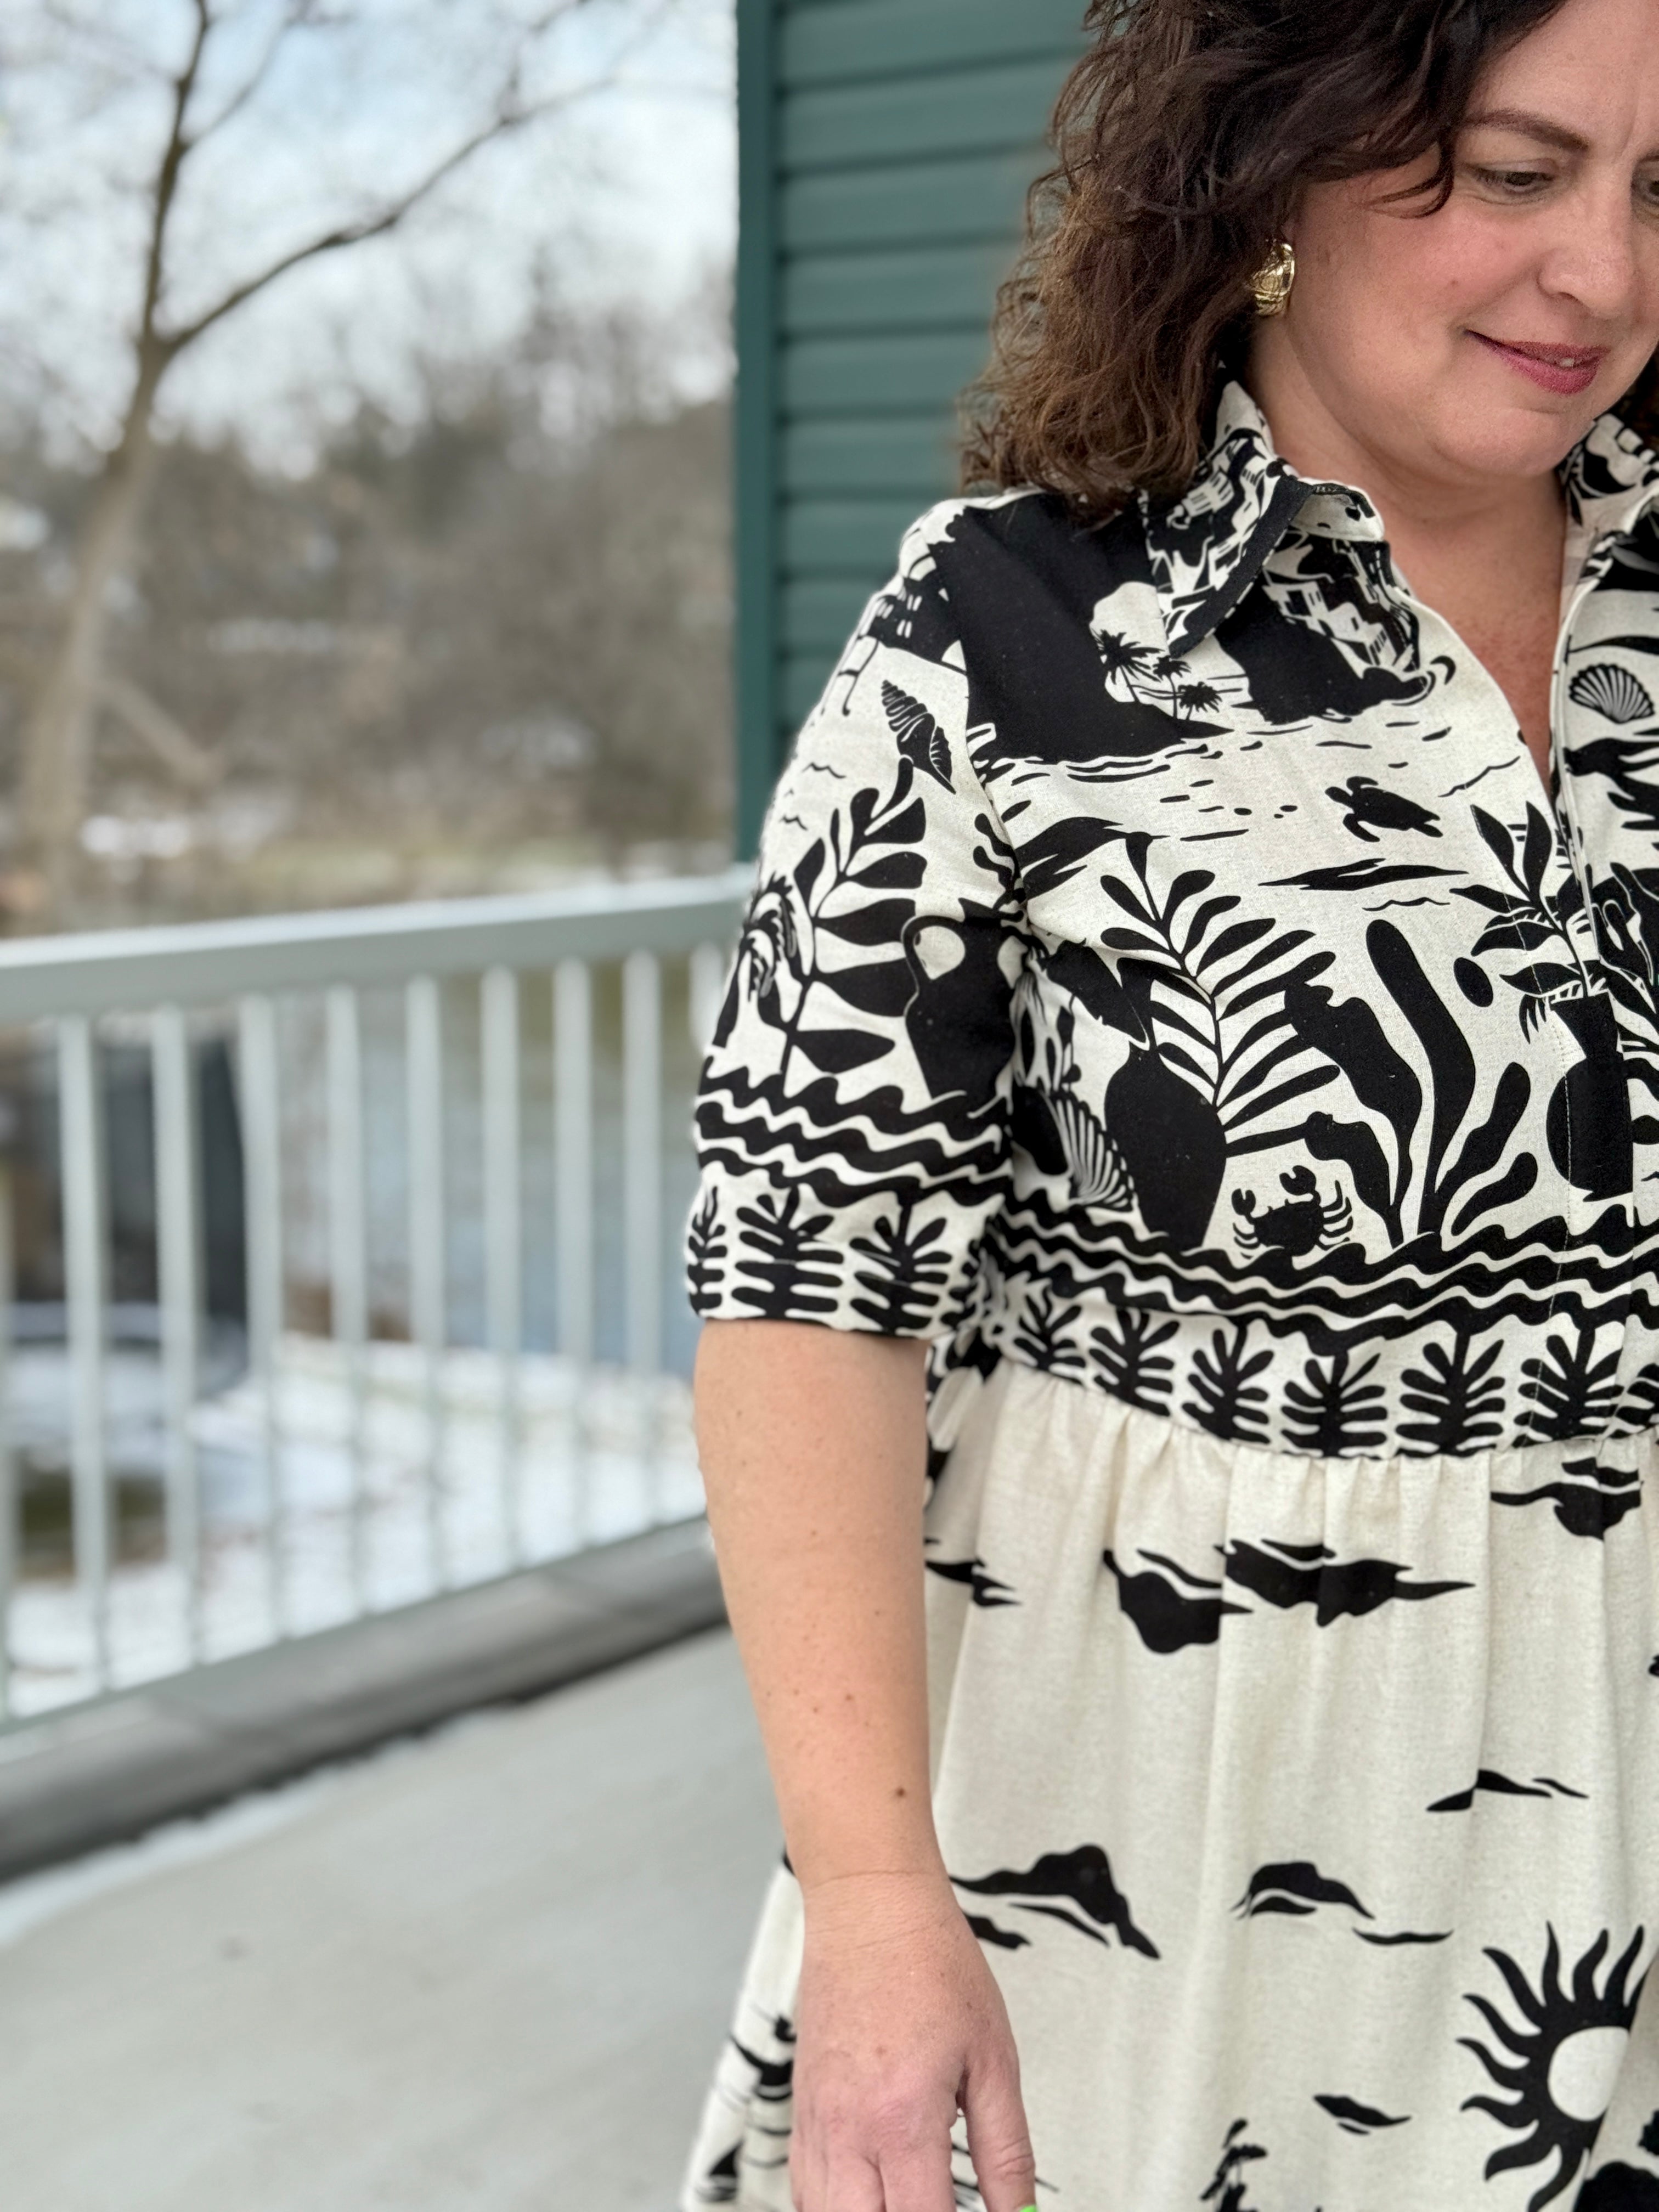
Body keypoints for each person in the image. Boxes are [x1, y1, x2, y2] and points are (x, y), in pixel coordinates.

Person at [680, 1, 1659, 2204]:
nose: (1603, 271)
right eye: (1517, 172)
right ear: (1276, 162)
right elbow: (806, 1300)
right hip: (1172, 1851)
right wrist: (872, 1899)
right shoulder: (1003, 633)